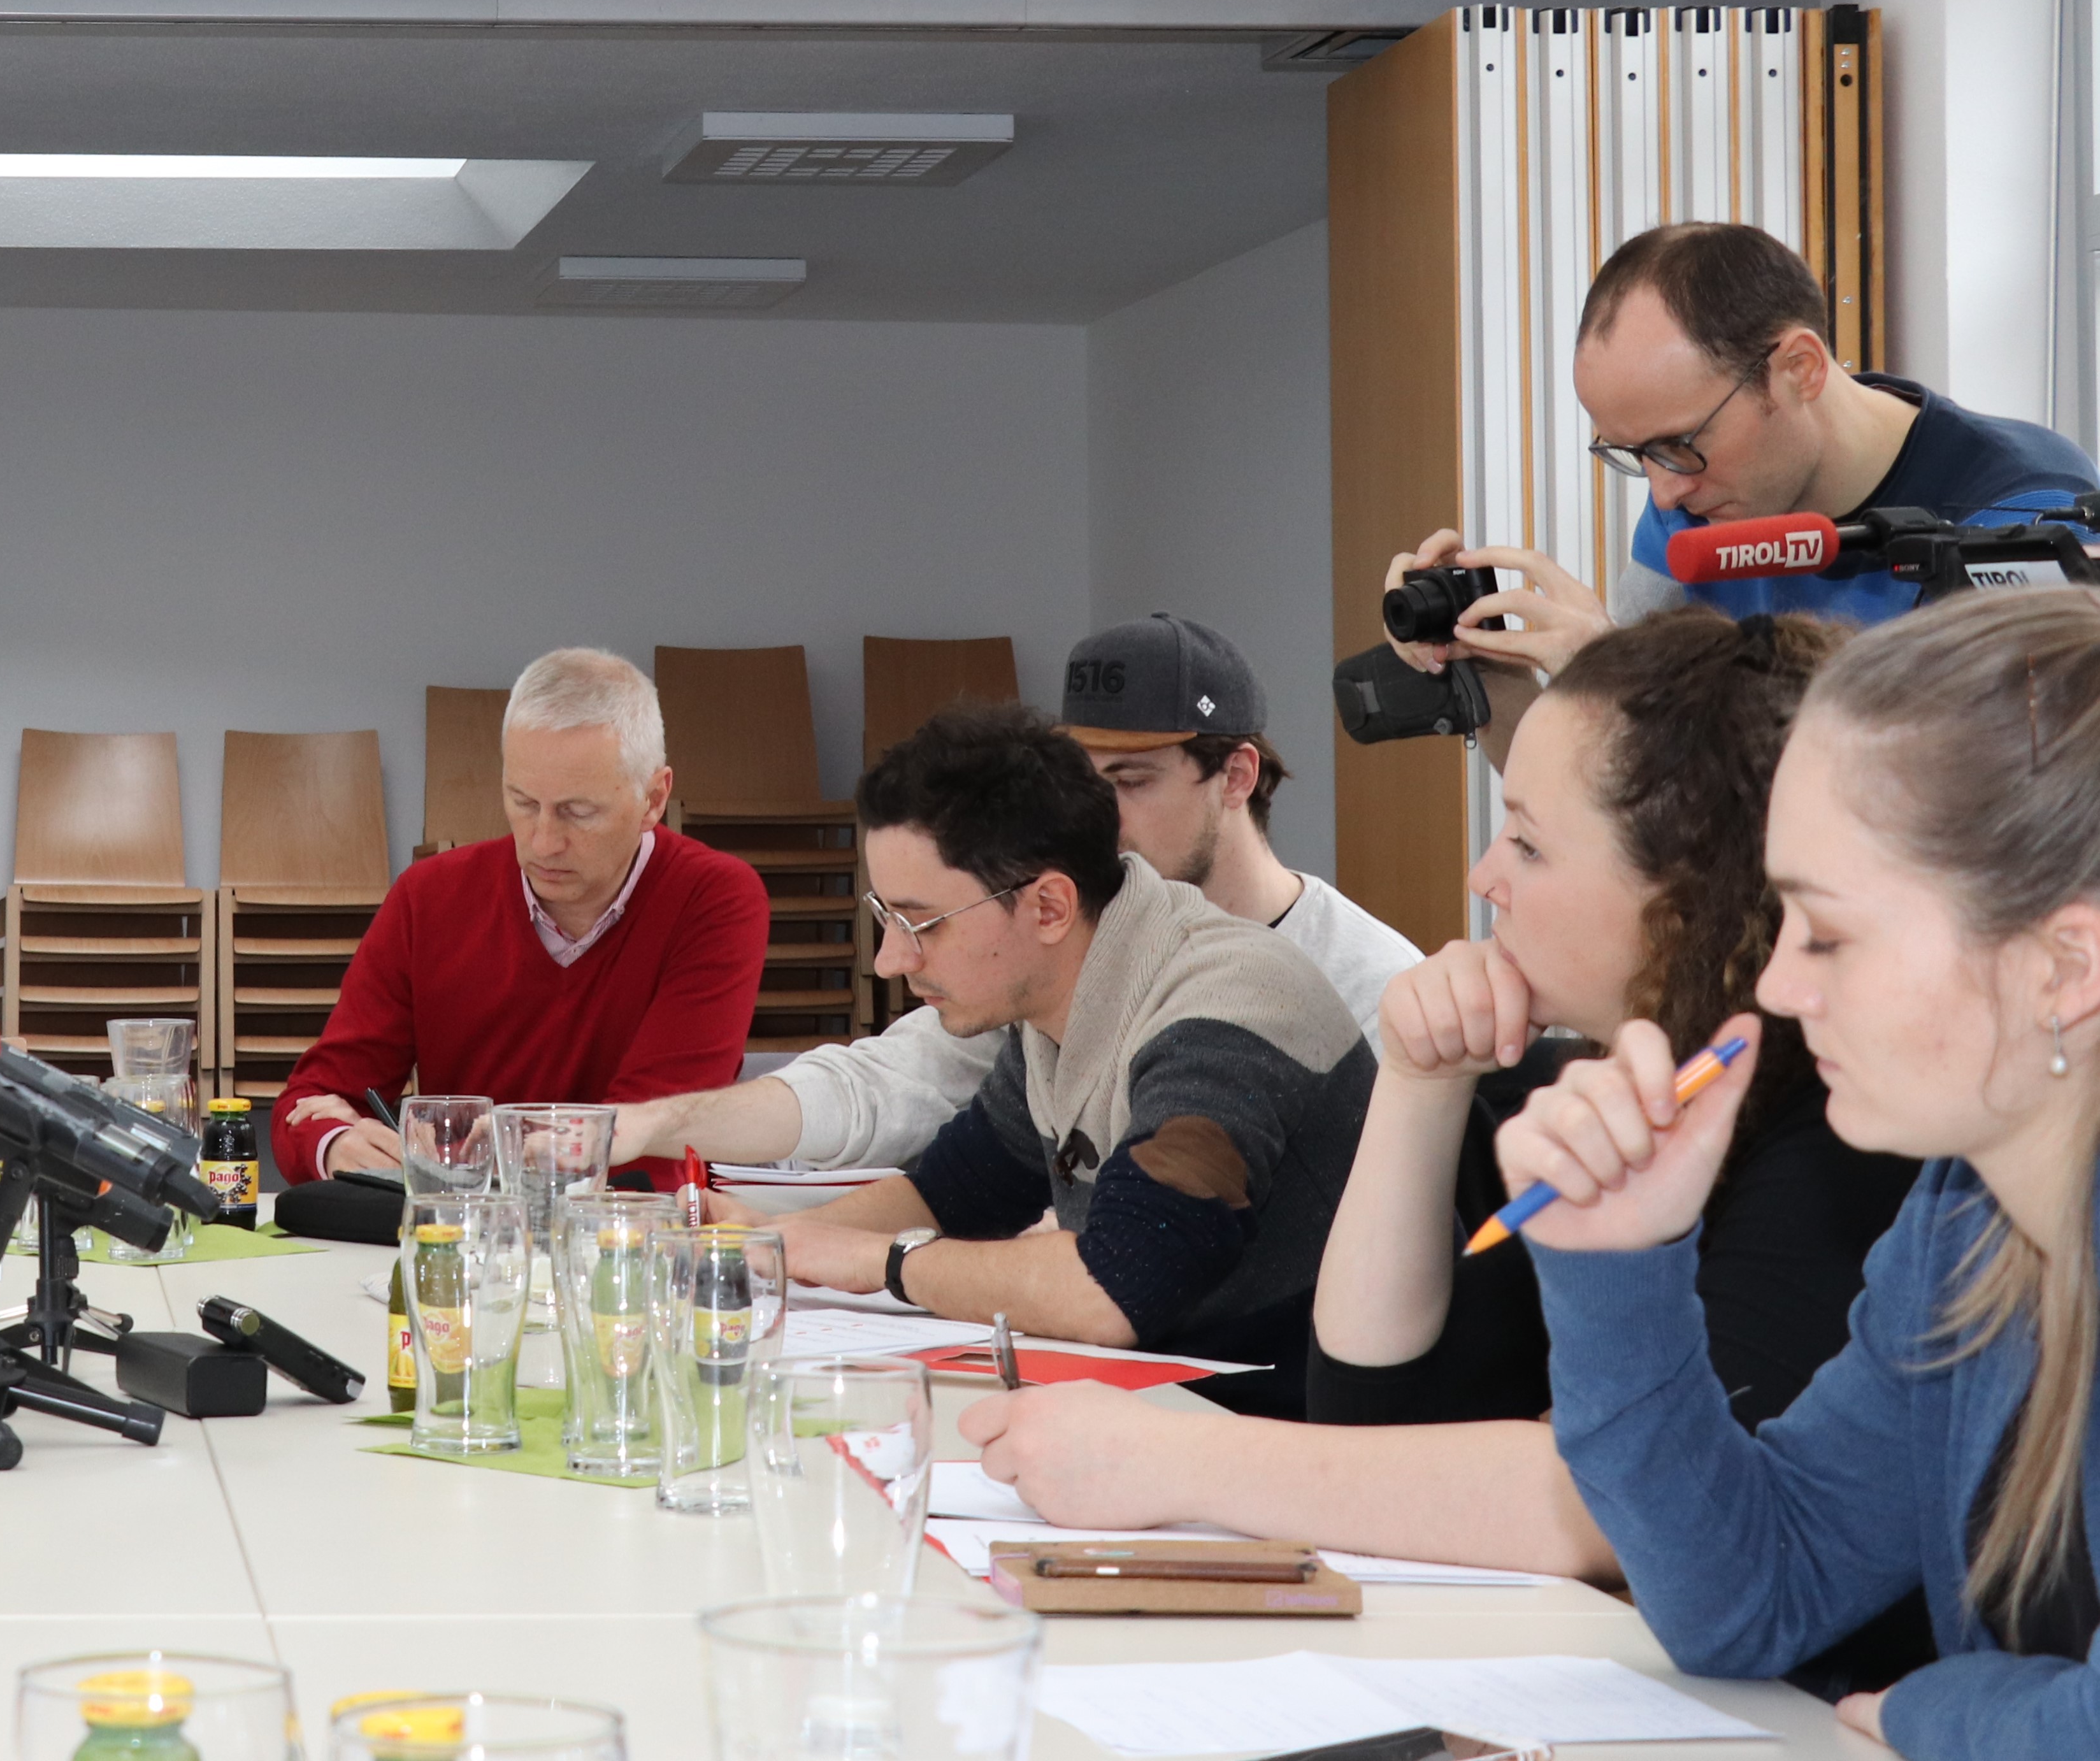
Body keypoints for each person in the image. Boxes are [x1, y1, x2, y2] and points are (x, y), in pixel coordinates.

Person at [954, 611, 1925, 1623]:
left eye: (1529, 844)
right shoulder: (1550, 1087)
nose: (1483, 877)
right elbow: (1370, 1409)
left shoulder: (1844, 1140)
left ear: (1686, 891)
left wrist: (1185, 1460)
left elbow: (1626, 1513)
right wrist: (1418, 1088)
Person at [1500, 589, 2100, 1752]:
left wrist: (1939, 1708)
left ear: (2059, 966)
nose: (1773, 988)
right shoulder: (1963, 1217)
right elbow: (1751, 1594)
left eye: (1824, 933)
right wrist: (1618, 1271)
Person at [700, 705, 1374, 1413]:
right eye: (884, 917)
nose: (889, 959)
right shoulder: (1064, 999)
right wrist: (773, 1243)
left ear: (1049, 907)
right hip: (1186, 1410)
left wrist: (880, 1262)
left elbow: (1112, 1290)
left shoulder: (1224, 1009)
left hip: (1313, 1434)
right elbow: (956, 1194)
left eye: (919, 923)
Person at [615, 614, 1416, 1175]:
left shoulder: (1365, 983)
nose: (1095, 816)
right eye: (1079, 780)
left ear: (1235, 776)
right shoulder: (1059, 952)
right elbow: (885, 1086)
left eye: (1130, 781)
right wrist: (650, 1125)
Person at [1388, 220, 2099, 762]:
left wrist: (1628, 695)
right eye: (1636, 455)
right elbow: (1628, 812)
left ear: (1798, 368)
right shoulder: (1696, 501)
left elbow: (1953, 835)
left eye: (1678, 445)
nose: (1664, 492)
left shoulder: (2025, 523)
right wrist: (1488, 673)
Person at [270, 647, 766, 1184]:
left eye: (578, 812)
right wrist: (338, 1143)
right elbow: (312, 1101)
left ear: (652, 799)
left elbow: (648, 1138)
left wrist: (469, 1154)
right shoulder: (429, 896)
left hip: (628, 1247)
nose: (543, 842)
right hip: (460, 1242)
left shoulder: (714, 898)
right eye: (523, 802)